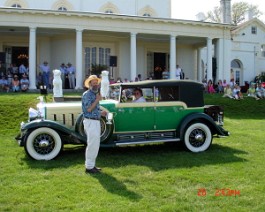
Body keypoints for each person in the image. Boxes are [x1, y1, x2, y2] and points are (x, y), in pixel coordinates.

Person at [82, 75, 107, 174]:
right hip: (90, 121)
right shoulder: (87, 95)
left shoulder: (94, 94)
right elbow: (88, 109)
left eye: (97, 82)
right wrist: (97, 100)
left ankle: (91, 165)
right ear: (89, 84)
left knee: (95, 144)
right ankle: (89, 167)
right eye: (93, 82)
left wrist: (101, 113)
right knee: (92, 144)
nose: (96, 84)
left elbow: (92, 110)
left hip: (95, 121)